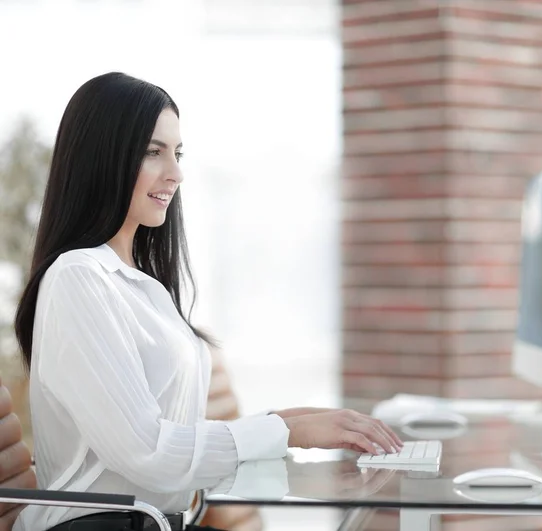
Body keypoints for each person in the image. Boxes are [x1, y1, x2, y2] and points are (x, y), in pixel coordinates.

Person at [13, 72, 402, 531]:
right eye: (152, 152)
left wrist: (291, 420)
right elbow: (149, 453)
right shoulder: (79, 278)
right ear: (102, 156)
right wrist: (287, 431)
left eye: (177, 153)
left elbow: (169, 437)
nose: (175, 173)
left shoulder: (139, 284)